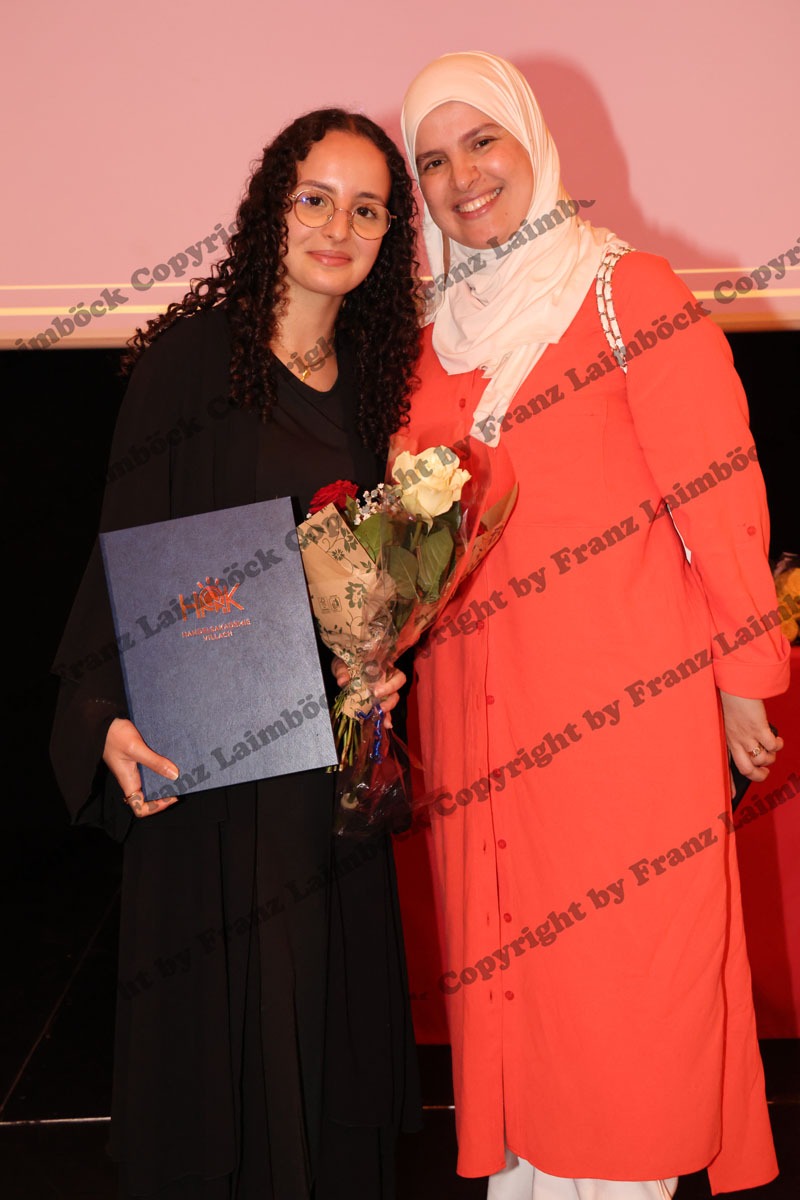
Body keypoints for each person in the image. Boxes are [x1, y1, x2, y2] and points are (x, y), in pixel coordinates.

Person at [393, 51, 789, 1199]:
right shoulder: (430, 338)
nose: (461, 176)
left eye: (482, 141)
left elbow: (718, 491)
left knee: (623, 991)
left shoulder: (627, 291)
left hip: (616, 719)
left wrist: (740, 675)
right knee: (509, 985)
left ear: (530, 141)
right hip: (473, 728)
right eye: (431, 160)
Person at [50, 107, 421, 1199]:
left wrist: (391, 656)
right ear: (272, 207)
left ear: (391, 233)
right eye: (316, 198)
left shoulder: (380, 377)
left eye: (367, 210)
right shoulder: (191, 361)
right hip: (211, 760)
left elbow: (395, 573)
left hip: (329, 766)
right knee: (221, 1050)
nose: (338, 228)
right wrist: (101, 716)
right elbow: (121, 549)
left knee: (324, 1038)